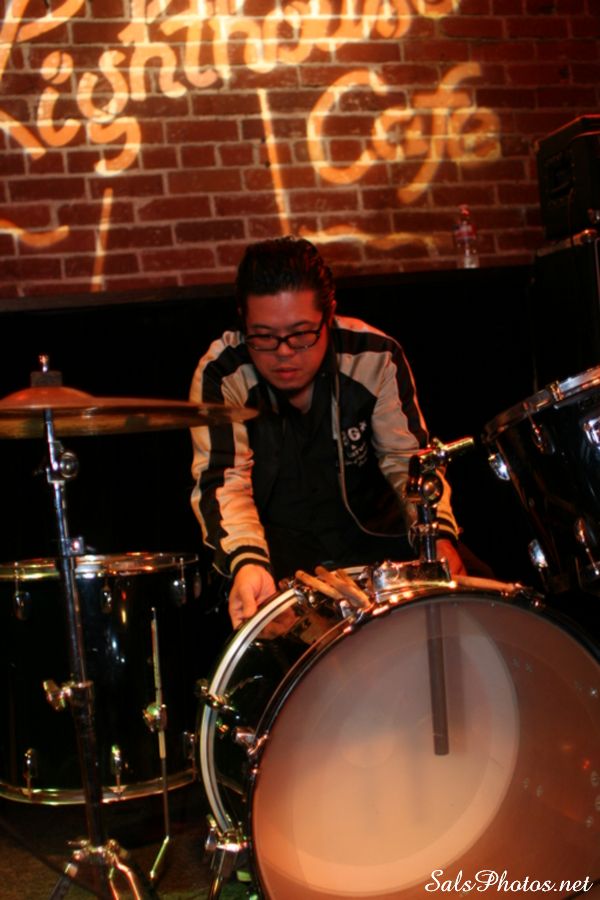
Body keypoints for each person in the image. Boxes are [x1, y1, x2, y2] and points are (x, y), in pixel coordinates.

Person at [190, 236, 466, 629]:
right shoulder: (222, 373)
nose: (284, 352)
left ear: (329, 315)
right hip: (280, 565)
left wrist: (436, 537)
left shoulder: (375, 356)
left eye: (301, 334)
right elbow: (225, 482)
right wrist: (248, 562)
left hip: (381, 551)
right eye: (263, 336)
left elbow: (406, 463)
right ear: (242, 321)